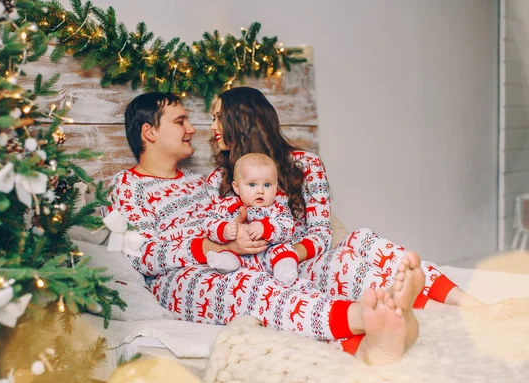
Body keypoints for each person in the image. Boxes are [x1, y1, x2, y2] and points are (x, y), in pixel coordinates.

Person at [104, 91, 425, 365]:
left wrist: (241, 233)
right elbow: (141, 254)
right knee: (248, 285)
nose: (192, 129)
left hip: (236, 257)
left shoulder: (201, 183)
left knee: (285, 279)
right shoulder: (128, 185)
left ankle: (376, 331)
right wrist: (214, 248)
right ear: (149, 132)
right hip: (179, 275)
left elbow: (225, 218)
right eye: (180, 121)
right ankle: (361, 319)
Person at [208, 86, 508, 315]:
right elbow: (213, 235)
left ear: (242, 120)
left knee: (362, 238)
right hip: (281, 274)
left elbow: (321, 233)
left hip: (303, 256)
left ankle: (474, 305)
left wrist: (287, 253)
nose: (212, 126)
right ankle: (442, 314)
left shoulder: (305, 164)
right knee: (346, 264)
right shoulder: (223, 178)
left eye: (218, 117)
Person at [204, 153, 300, 286]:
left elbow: (289, 227)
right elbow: (209, 221)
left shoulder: (278, 208)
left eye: (267, 185)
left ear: (276, 187)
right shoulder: (229, 205)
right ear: (237, 188)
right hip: (241, 255)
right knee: (228, 254)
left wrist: (267, 228)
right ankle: (224, 263)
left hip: (269, 253)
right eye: (252, 184)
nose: (260, 191)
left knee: (285, 251)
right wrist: (223, 229)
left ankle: (284, 273)